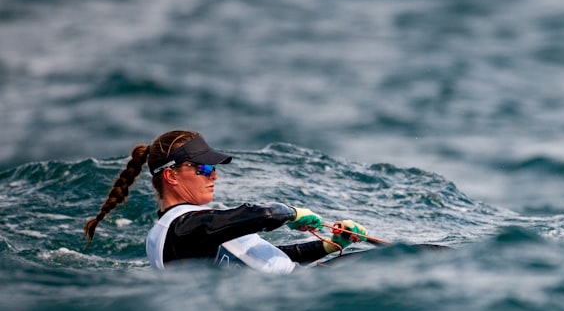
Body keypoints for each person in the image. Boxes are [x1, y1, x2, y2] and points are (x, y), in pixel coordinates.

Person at [83, 130, 368, 274]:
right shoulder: (185, 228)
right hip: (303, 296)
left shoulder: (176, 230)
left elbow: (260, 258)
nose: (214, 175)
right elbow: (264, 214)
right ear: (171, 175)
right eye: (204, 168)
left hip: (303, 288)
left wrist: (330, 245)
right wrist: (293, 213)